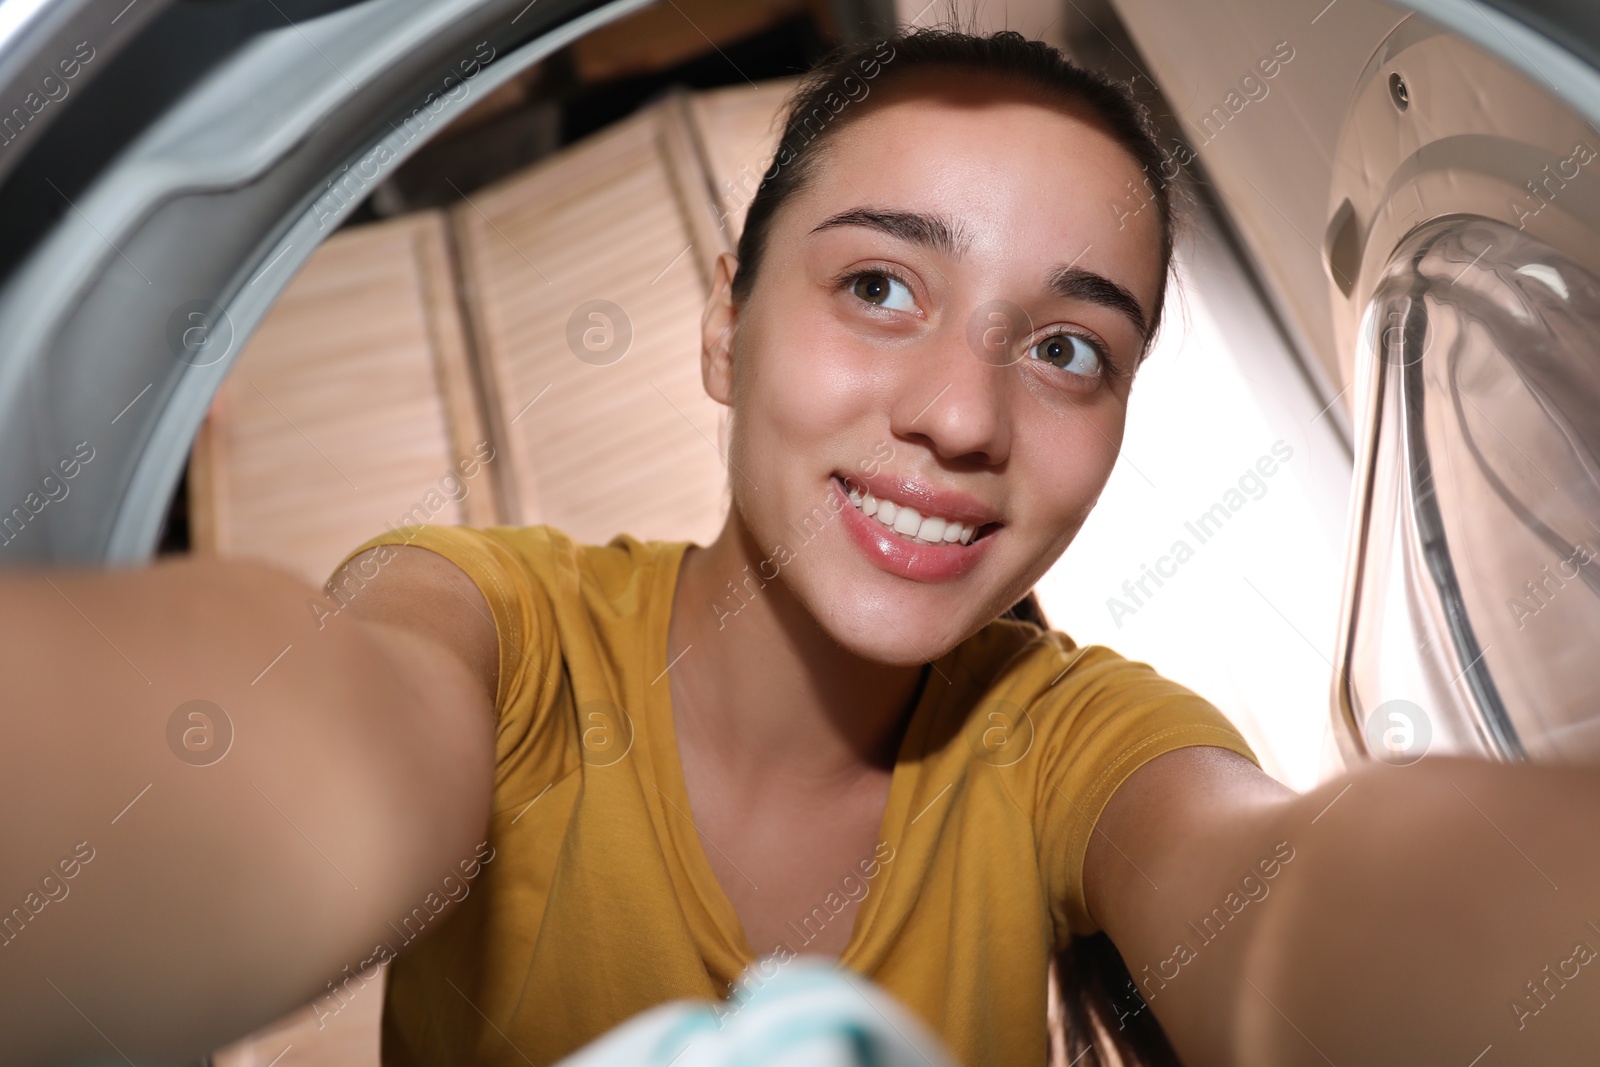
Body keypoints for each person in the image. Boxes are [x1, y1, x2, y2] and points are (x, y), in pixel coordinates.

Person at [3, 23, 1598, 1067]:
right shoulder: (506, 639)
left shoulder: (1064, 745)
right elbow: (310, 750)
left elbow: (1292, 902)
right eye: (882, 288)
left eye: (1066, 350)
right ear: (724, 321)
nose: (962, 417)